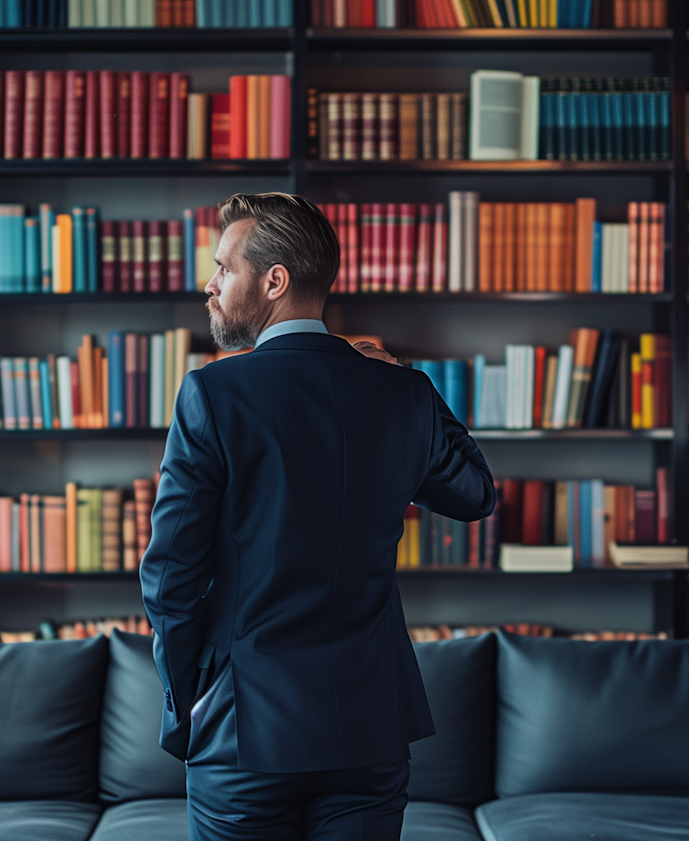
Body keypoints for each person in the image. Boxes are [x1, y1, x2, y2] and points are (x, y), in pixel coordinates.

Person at [139, 192, 497, 841]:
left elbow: (168, 577)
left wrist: (190, 701)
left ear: (273, 281)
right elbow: (476, 492)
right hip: (369, 729)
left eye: (224, 267)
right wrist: (409, 384)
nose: (210, 283)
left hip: (242, 730)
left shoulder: (212, 394)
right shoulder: (400, 394)